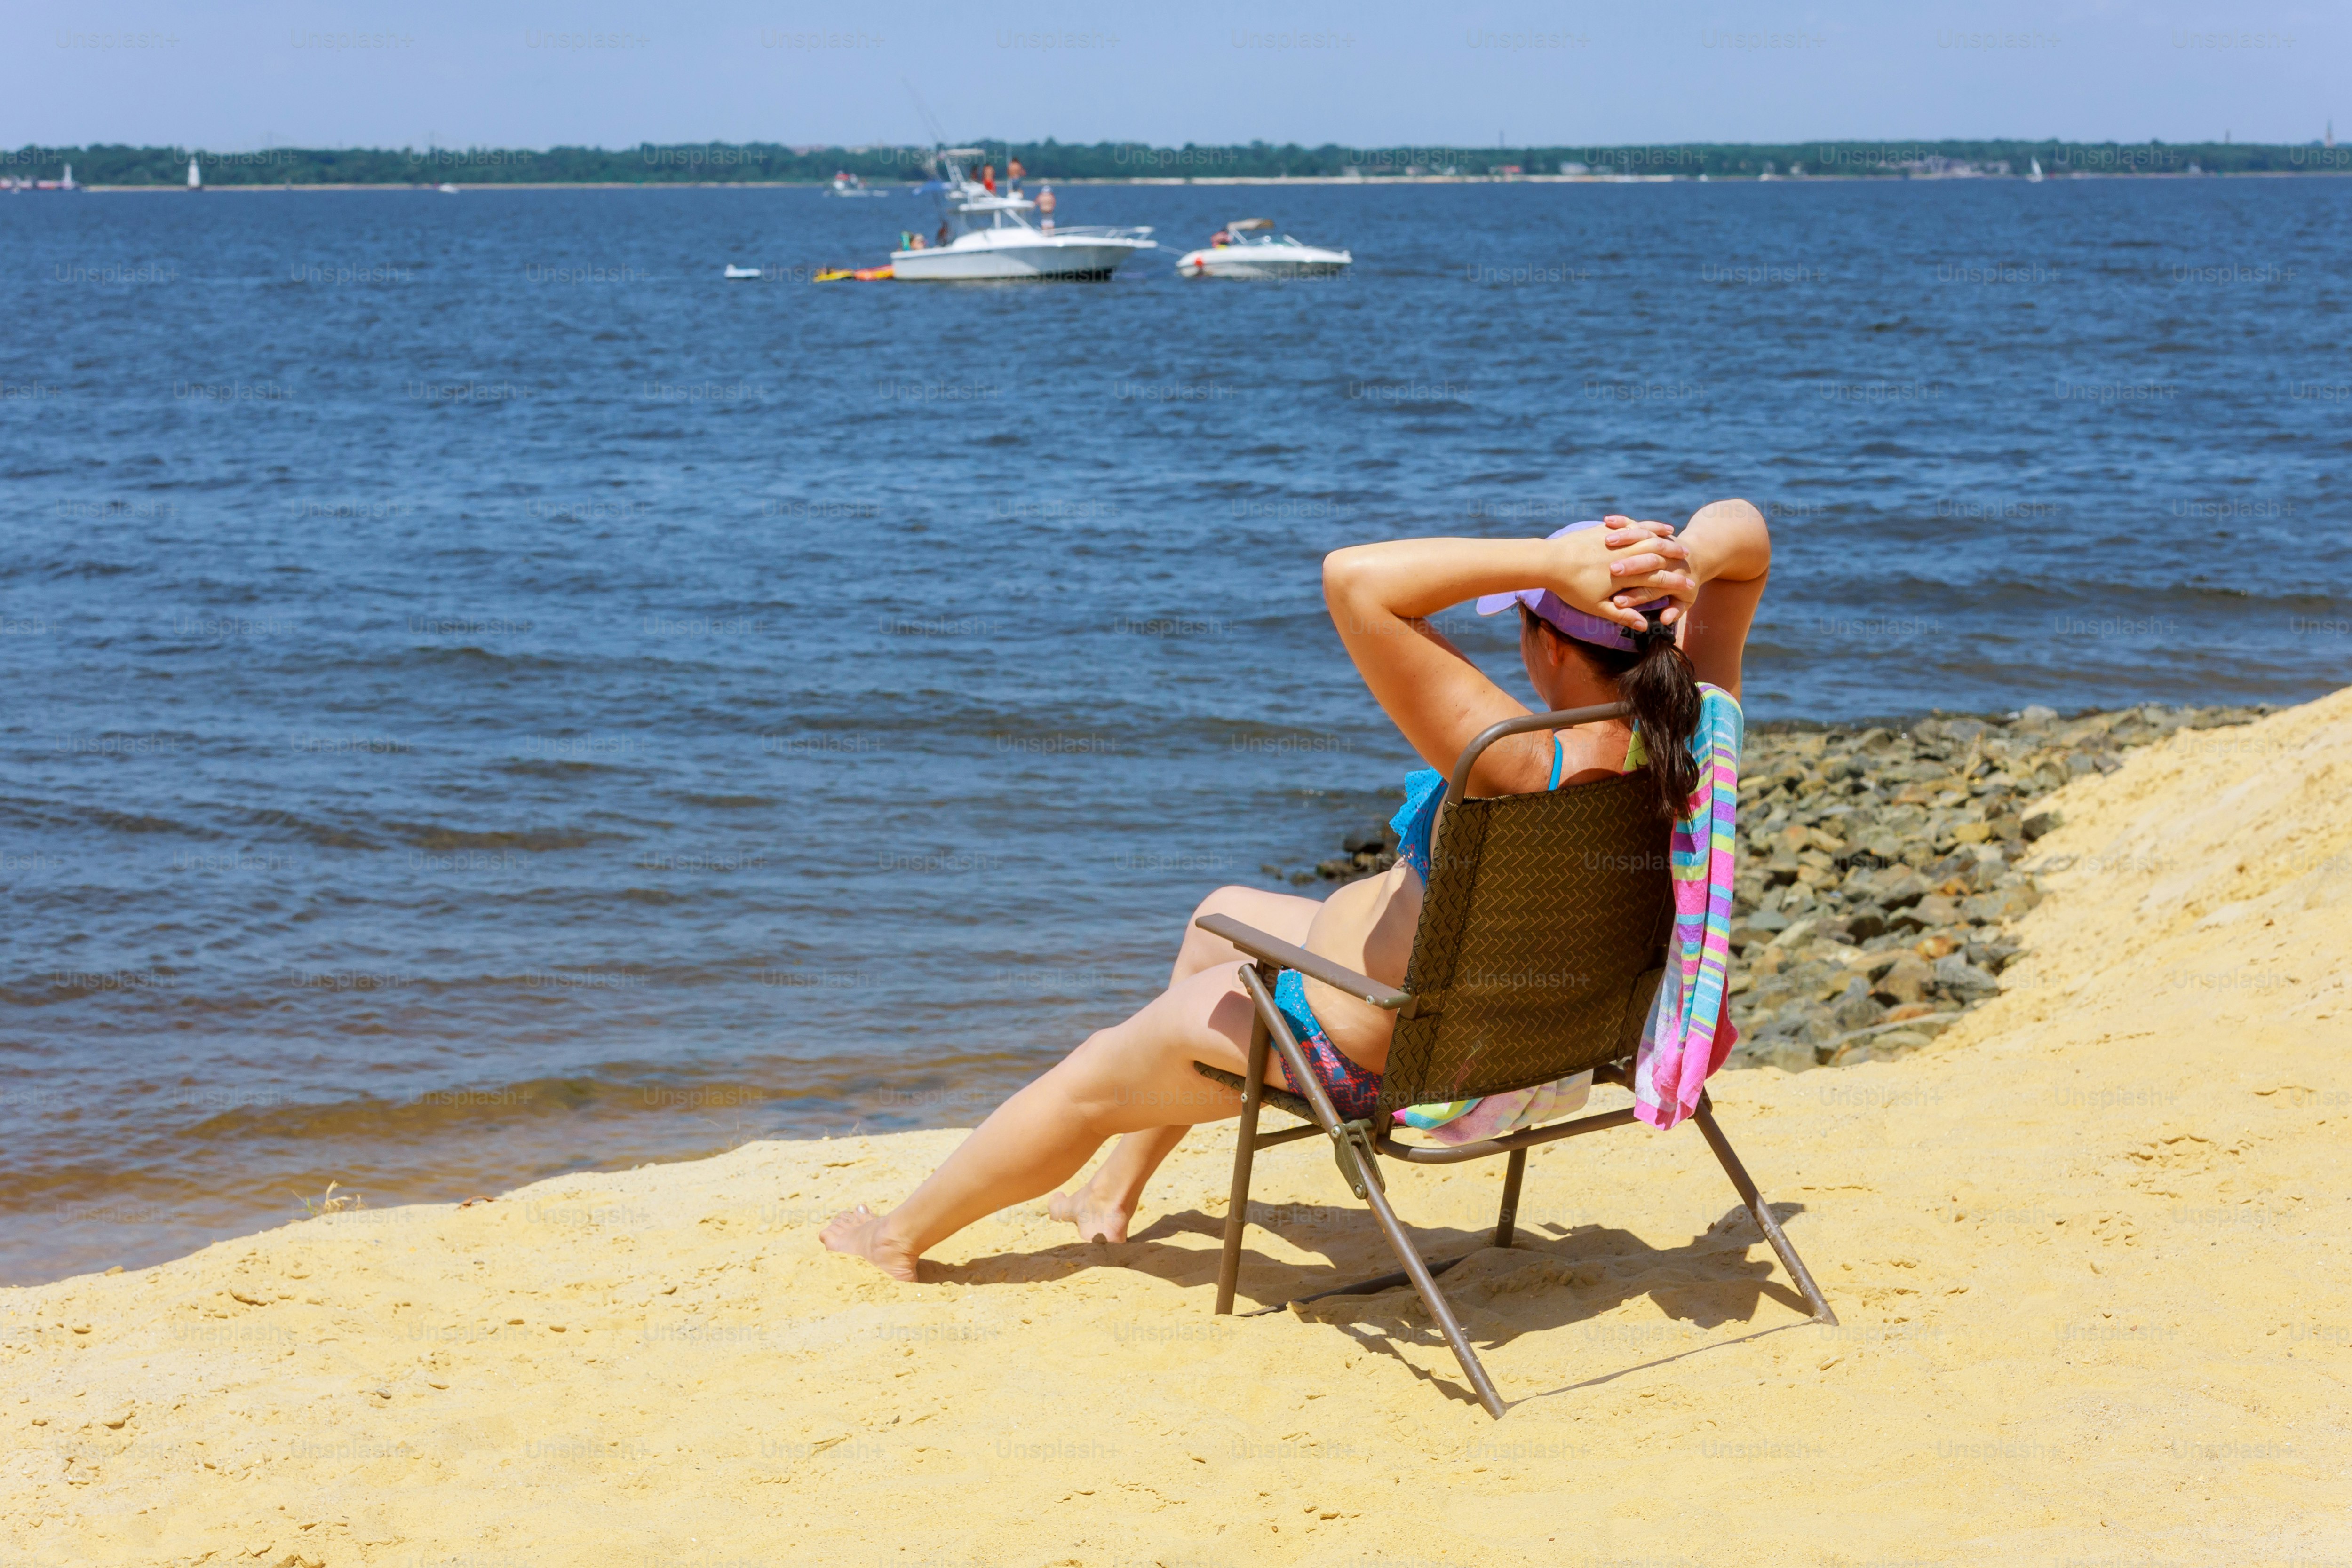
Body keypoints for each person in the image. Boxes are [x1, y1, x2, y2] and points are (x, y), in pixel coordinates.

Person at [821, 502, 1773, 1281]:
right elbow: (1750, 539)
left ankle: (898, 1237)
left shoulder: (1517, 754)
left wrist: (1546, 558)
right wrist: (1677, 555)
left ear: (1549, 645)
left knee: (1091, 1075)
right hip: (1542, 1037)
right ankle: (1109, 1195)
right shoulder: (1689, 726)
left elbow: (1353, 578)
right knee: (1213, 916)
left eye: (1527, 622)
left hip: (1370, 1048)